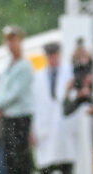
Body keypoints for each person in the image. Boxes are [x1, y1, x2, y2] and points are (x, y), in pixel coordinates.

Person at [0, 25, 33, 174]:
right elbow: (1, 89)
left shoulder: (24, 67)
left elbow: (15, 93)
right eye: (9, 41)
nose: (11, 45)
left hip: (20, 118)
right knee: (10, 161)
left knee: (20, 159)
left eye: (15, 40)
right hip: (8, 119)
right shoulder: (7, 67)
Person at [32, 43, 78, 174]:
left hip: (65, 128)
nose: (52, 59)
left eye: (54, 55)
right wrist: (32, 130)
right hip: (45, 129)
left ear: (59, 55)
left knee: (66, 165)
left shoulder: (69, 73)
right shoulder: (38, 77)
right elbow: (35, 106)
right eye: (50, 56)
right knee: (45, 166)